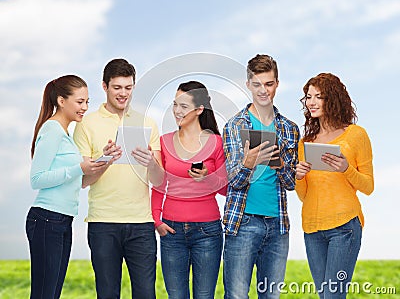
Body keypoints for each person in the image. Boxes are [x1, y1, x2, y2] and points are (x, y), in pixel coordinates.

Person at [73, 59, 161, 299]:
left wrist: (151, 162)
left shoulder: (148, 123)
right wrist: (105, 160)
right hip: (103, 223)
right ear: (105, 86)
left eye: (128, 87)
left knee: (145, 294)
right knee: (107, 293)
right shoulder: (87, 124)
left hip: (141, 224)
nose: (123, 93)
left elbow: (159, 180)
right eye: (117, 87)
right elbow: (82, 181)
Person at [132, 81, 227, 299]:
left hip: (208, 232)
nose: (177, 111)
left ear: (199, 109)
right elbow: (158, 184)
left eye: (183, 106)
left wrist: (207, 177)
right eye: (175, 104)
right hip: (172, 232)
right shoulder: (164, 142)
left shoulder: (216, 143)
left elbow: (225, 189)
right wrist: (157, 220)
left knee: (204, 296)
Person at [222, 54, 300, 299]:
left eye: (268, 84)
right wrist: (248, 163)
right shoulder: (234, 126)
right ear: (248, 85)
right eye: (257, 84)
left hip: (277, 225)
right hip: (243, 222)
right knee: (236, 295)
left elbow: (290, 184)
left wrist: (280, 165)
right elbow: (233, 181)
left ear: (277, 83)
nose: (263, 90)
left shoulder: (289, 128)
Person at [26, 75, 109, 299]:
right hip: (46, 219)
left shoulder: (66, 135)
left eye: (87, 102)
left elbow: (78, 181)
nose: (85, 107)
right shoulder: (52, 129)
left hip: (61, 220)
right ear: (62, 101)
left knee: (52, 293)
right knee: (44, 294)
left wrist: (105, 161)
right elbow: (37, 179)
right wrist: (78, 168)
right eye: (80, 102)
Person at [295, 73, 374, 299]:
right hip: (312, 229)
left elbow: (368, 186)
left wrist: (346, 169)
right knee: (325, 296)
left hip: (344, 227)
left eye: (318, 97)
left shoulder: (355, 135)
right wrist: (299, 177)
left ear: (333, 99)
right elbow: (305, 195)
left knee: (333, 296)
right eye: (308, 97)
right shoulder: (305, 143)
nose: (311, 102)